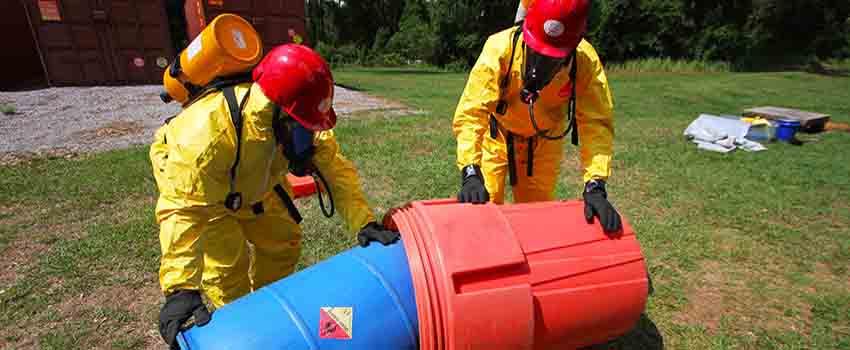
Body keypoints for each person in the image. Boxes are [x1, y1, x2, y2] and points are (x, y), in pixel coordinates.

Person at [150, 44, 400, 349]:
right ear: (275, 111)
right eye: (301, 130)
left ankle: (272, 310)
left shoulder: (300, 117)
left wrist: (365, 223)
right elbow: (183, 209)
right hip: (207, 194)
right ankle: (245, 324)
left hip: (257, 184)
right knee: (228, 271)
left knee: (284, 241)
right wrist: (180, 289)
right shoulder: (206, 136)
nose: (308, 139)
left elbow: (336, 171)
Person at [453, 0, 622, 233]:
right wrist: (470, 170)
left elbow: (596, 123)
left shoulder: (585, 61)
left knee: (536, 215)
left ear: (573, 47)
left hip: (544, 140)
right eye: (536, 52)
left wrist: (595, 184)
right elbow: (473, 112)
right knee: (484, 208)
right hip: (498, 134)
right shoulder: (500, 48)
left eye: (553, 59)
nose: (541, 66)